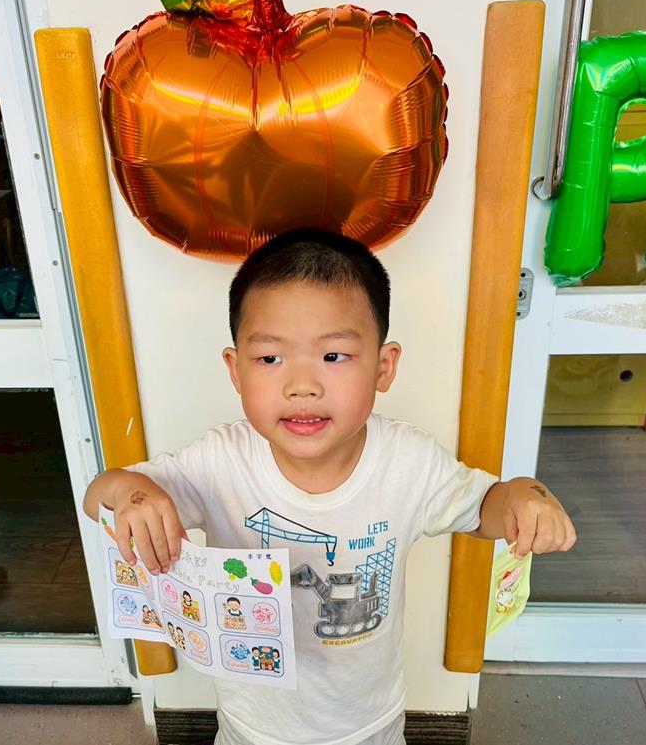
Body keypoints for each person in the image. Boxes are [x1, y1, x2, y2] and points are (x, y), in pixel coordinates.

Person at [83, 230, 577, 745]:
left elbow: (482, 508)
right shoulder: (218, 462)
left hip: (370, 726)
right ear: (235, 370)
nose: (302, 386)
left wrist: (523, 495)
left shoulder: (407, 462)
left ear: (383, 367)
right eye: (269, 359)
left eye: (334, 356)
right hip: (251, 730)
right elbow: (99, 497)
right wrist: (130, 491)